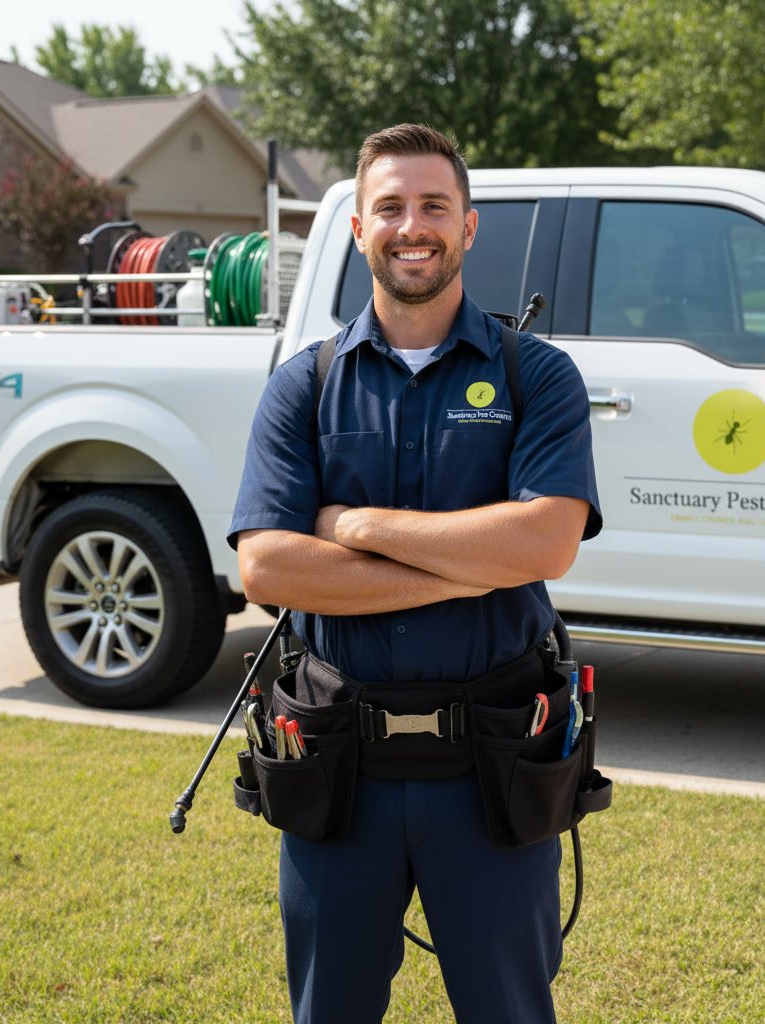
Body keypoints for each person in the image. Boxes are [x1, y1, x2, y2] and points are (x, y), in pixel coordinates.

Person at [228, 123, 602, 1024]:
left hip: (495, 768)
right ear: (359, 228)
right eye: (390, 206)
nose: (413, 225)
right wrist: (478, 562)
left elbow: (547, 544)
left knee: (510, 1011)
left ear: (469, 227)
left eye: (435, 205)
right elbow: (268, 566)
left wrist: (356, 529)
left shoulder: (537, 377)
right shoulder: (304, 385)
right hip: (337, 769)